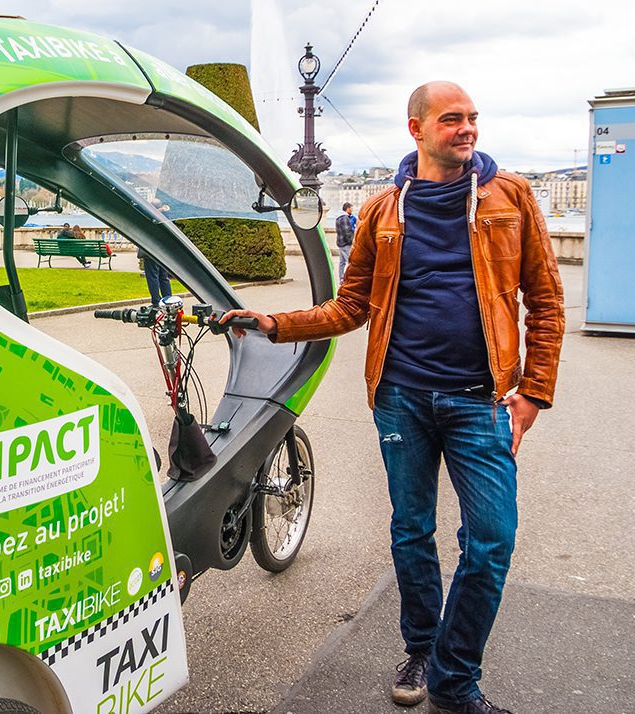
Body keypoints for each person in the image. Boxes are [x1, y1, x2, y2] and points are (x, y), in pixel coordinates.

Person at [221, 81, 564, 714]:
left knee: (491, 540)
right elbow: (352, 305)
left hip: (479, 401)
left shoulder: (509, 197)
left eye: (473, 119)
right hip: (401, 396)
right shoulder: (384, 210)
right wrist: (276, 323)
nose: (467, 130)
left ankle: (455, 680)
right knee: (412, 530)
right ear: (417, 129)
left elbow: (545, 302)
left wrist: (533, 393)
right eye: (452, 119)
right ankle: (422, 649)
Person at [335, 201, 356, 282]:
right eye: (351, 208)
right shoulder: (345, 218)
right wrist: (351, 241)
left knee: (342, 262)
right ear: (347, 208)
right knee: (350, 261)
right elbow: (347, 231)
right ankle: (349, 279)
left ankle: (341, 278)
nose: (352, 209)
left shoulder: (338, 217)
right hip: (346, 243)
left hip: (340, 242)